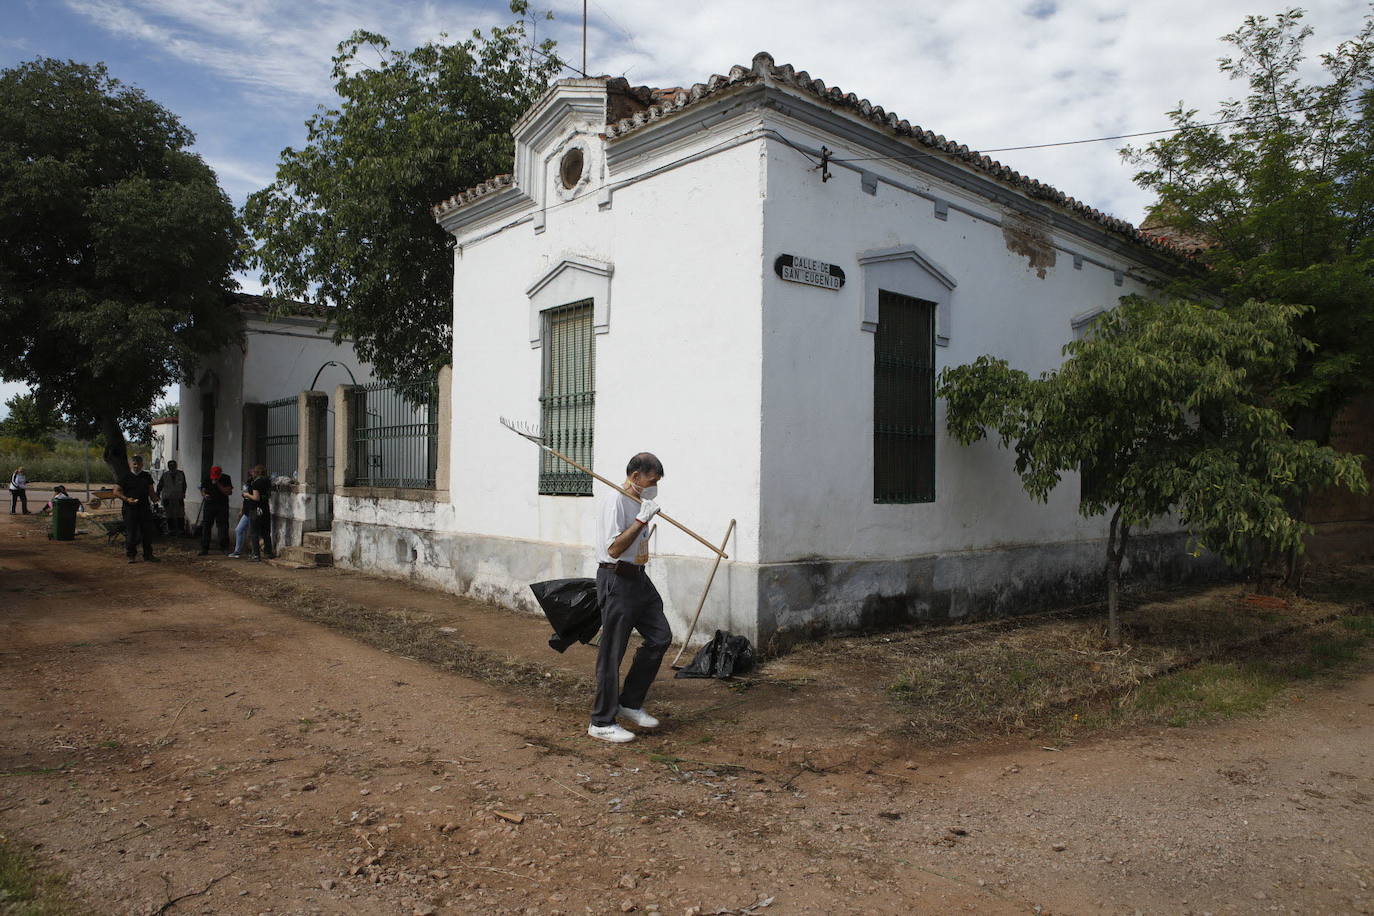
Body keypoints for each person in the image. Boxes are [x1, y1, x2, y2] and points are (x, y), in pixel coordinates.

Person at [588, 452, 671, 744]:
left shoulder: (640, 501)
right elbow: (613, 549)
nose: (654, 487)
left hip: (639, 578)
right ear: (635, 477)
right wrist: (640, 520)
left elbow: (636, 543)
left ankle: (630, 703)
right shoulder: (615, 501)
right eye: (651, 481)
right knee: (613, 651)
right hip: (616, 578)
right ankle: (601, 721)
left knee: (661, 636)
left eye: (657, 482)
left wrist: (644, 524)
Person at [114, 454, 159, 563]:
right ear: (131, 464)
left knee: (147, 532)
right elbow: (116, 491)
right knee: (131, 533)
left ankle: (148, 555)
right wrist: (127, 499)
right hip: (130, 508)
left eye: (139, 464)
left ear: (142, 465)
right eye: (134, 464)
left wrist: (156, 500)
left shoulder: (146, 476)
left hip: (144, 508)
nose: (136, 466)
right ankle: (131, 555)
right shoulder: (125, 477)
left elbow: (151, 491)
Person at [198, 465, 232, 555]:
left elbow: (228, 492)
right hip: (209, 505)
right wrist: (204, 495)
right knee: (206, 526)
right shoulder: (207, 478)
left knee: (223, 526)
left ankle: (224, 547)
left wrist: (218, 483)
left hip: (222, 505)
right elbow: (202, 489)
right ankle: (204, 548)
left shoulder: (226, 478)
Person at [243, 463, 275, 560]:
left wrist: (247, 495)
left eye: (253, 472)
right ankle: (268, 552)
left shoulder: (256, 483)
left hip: (256, 509)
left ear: (256, 473)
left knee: (254, 532)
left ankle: (256, 554)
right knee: (266, 531)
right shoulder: (268, 482)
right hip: (265, 508)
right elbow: (268, 495)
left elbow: (256, 498)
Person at [156, 460, 188, 535]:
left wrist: (183, 493)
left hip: (179, 497)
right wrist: (157, 495)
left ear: (176, 466)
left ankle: (181, 530)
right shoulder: (165, 475)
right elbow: (159, 486)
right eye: (170, 465)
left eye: (173, 465)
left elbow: (184, 485)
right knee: (169, 514)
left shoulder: (181, 474)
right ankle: (171, 530)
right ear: (168, 466)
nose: (172, 467)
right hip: (167, 497)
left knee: (180, 514)